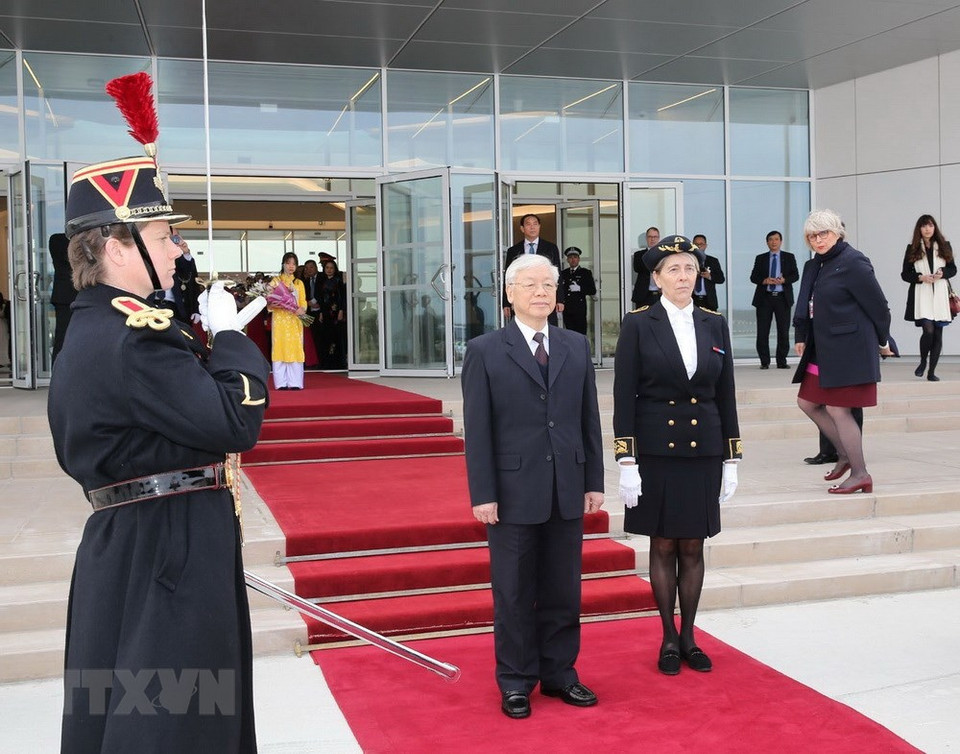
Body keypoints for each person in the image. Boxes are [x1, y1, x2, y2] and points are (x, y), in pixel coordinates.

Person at [47, 148, 269, 749]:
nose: (178, 250)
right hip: (168, 555)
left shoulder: (99, 327)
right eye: (165, 236)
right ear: (117, 247)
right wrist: (229, 337)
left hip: (135, 544)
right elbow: (234, 420)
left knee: (130, 709)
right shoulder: (135, 340)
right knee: (175, 724)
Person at [462, 253, 603, 720]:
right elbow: (478, 430)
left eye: (548, 283)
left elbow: (588, 419)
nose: (541, 291)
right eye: (530, 284)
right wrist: (483, 493)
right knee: (515, 591)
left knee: (564, 588)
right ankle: (517, 680)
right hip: (512, 490)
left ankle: (561, 674)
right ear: (509, 293)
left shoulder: (575, 345)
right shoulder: (484, 350)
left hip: (567, 485)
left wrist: (593, 480)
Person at [613, 235, 741, 677]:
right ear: (656, 278)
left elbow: (726, 393)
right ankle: (668, 636)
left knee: (693, 545)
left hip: (703, 448)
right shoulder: (638, 324)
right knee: (663, 543)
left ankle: (690, 636)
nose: (683, 276)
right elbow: (623, 394)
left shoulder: (713, 322)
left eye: (689, 268)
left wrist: (731, 457)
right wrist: (626, 460)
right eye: (673, 270)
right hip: (656, 450)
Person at [793, 209, 893, 494]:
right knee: (807, 402)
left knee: (838, 408)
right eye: (812, 236)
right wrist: (801, 334)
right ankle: (846, 454)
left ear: (837, 232)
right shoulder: (814, 265)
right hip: (822, 348)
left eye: (823, 233)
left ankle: (860, 473)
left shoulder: (853, 261)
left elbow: (878, 306)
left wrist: (882, 341)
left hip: (850, 348)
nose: (818, 240)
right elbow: (804, 302)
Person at [900, 214, 956, 381]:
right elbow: (905, 274)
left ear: (934, 227)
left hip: (939, 293)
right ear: (919, 229)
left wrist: (942, 273)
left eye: (930, 225)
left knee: (938, 333)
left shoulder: (945, 246)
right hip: (922, 294)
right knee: (928, 330)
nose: (927, 229)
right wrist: (920, 277)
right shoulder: (913, 248)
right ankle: (923, 361)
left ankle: (931, 371)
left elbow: (953, 269)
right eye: (924, 226)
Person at [502, 213, 565, 326]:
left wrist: (559, 299)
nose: (532, 227)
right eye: (528, 224)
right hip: (523, 294)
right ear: (522, 228)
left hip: (544, 294)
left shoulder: (551, 248)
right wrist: (506, 303)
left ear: (539, 227)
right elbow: (508, 278)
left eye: (535, 224)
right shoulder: (513, 250)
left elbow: (557, 275)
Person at [750, 230, 799, 369]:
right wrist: (764, 280)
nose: (773, 242)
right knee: (762, 331)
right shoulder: (761, 258)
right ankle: (764, 362)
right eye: (771, 239)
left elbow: (795, 275)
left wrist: (784, 280)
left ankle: (781, 361)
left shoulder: (789, 257)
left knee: (783, 331)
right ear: (767, 242)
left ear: (780, 241)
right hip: (764, 298)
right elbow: (753, 277)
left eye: (776, 239)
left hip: (782, 298)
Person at [269, 251, 307, 388]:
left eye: (294, 264)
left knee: (295, 347)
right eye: (288, 263)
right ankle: (281, 383)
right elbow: (269, 302)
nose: (291, 266)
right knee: (280, 347)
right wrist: (271, 305)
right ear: (283, 264)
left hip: (294, 320)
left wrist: (301, 308)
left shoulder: (299, 283)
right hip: (280, 320)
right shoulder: (275, 281)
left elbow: (303, 302)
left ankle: (295, 382)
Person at [49, 232, 76, 364]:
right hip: (65, 298)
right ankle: (57, 375)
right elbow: (70, 257)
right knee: (62, 338)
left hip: (72, 296)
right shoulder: (57, 239)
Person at [558, 247, 597, 335]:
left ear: (579, 259)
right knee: (569, 334)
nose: (573, 260)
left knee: (580, 334)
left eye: (575, 257)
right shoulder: (563, 273)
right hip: (567, 309)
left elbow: (592, 290)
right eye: (570, 257)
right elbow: (559, 290)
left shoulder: (585, 273)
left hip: (579, 309)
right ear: (567, 260)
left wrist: (580, 288)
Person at [317, 258, 347, 369]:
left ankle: (336, 361)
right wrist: (320, 312)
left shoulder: (338, 281)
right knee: (326, 337)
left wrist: (340, 311)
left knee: (335, 337)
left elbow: (341, 297)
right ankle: (327, 361)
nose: (329, 270)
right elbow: (321, 299)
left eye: (331, 268)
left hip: (335, 312)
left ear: (335, 269)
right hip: (325, 312)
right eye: (327, 268)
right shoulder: (323, 281)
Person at [690, 234, 726, 311]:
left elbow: (721, 279)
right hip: (692, 300)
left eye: (701, 244)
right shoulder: (688, 260)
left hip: (709, 301)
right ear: (692, 245)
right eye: (696, 244)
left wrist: (709, 276)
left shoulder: (713, 261)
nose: (699, 246)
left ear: (705, 245)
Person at [630, 226, 662, 309]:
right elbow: (637, 268)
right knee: (642, 320)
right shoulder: (639, 255)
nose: (652, 239)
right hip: (643, 295)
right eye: (650, 237)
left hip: (661, 294)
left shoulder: (664, 255)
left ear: (658, 238)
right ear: (646, 238)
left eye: (655, 237)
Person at [302, 259, 324, 367]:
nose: (309, 270)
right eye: (306, 268)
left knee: (322, 337)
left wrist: (315, 301)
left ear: (316, 267)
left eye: (311, 267)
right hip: (310, 312)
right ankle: (315, 361)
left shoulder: (322, 277)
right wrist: (309, 303)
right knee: (313, 336)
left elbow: (323, 292)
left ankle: (323, 360)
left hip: (322, 311)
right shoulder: (305, 281)